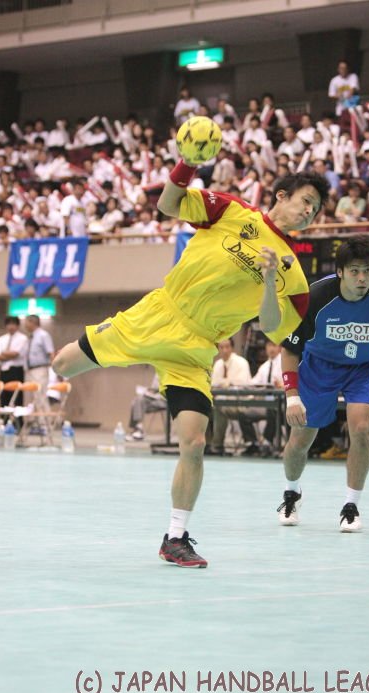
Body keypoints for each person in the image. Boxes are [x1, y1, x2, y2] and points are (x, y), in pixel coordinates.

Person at [52, 155, 330, 568]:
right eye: (306, 201)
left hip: (196, 347)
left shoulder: (294, 275)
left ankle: (175, 537)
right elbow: (169, 204)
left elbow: (273, 327)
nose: (309, 212)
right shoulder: (233, 210)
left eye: (316, 210)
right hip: (157, 315)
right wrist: (188, 163)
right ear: (281, 195)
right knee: (62, 365)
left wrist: (271, 278)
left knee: (195, 443)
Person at [277, 237, 369, 532]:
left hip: (363, 369)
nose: (362, 278)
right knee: (300, 440)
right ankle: (291, 492)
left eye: (367, 271)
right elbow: (289, 349)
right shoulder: (316, 297)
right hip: (318, 368)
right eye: (354, 271)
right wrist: (292, 396)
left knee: (361, 430)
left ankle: (351, 506)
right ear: (340, 272)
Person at [210, 337, 259, 456]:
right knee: (206, 409)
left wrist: (225, 383)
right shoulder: (218, 364)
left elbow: (241, 383)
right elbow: (214, 384)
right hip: (222, 402)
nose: (224, 350)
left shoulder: (241, 362)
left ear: (232, 348)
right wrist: (227, 382)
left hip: (242, 403)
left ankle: (217, 446)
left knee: (220, 408)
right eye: (221, 347)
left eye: (227, 347)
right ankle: (207, 444)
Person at [24, 315, 55, 423]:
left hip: (40, 369)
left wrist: (56, 370)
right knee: (34, 397)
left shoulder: (43, 335)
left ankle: (45, 423)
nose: (25, 325)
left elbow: (51, 353)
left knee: (40, 396)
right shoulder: (30, 337)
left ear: (33, 322)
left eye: (27, 322)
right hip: (30, 370)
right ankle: (37, 422)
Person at [0, 316, 28, 407]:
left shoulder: (23, 338)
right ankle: (4, 415)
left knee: (17, 395)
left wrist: (3, 353)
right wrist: (9, 355)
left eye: (13, 324)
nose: (11, 326)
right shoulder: (1, 339)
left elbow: (16, 354)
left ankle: (18, 415)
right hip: (3, 370)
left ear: (17, 326)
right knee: (3, 394)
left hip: (16, 370)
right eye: (9, 324)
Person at [126, 373, 167, 441]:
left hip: (165, 401)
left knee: (138, 402)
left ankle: (138, 430)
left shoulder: (170, 371)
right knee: (136, 401)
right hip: (155, 398)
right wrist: (149, 390)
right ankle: (138, 429)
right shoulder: (157, 372)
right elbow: (154, 388)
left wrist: (155, 390)